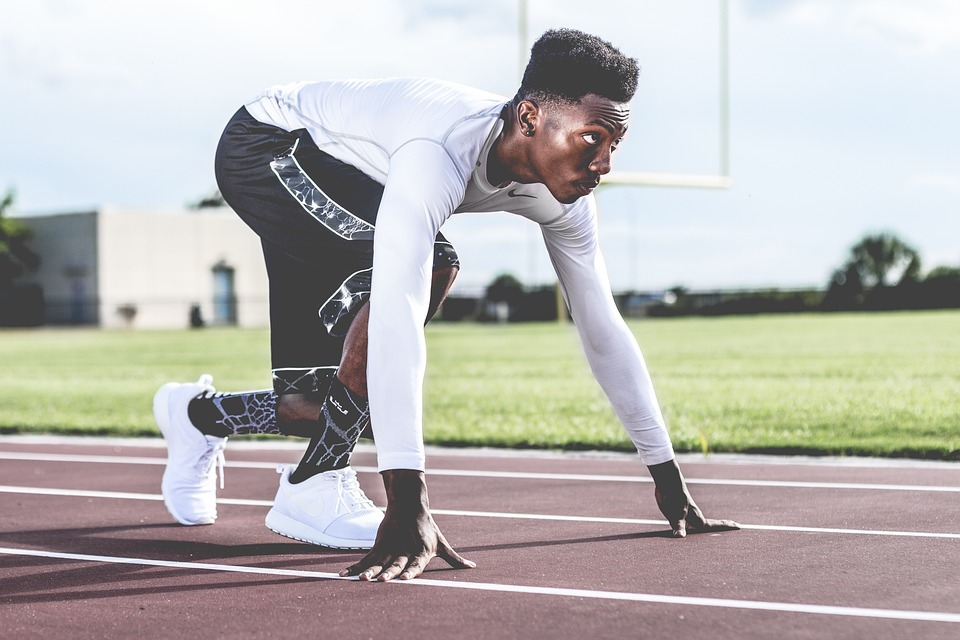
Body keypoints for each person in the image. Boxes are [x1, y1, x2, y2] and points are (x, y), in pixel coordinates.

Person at [153, 27, 739, 583]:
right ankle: (315, 481)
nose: (605, 163)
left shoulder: (567, 200)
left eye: (615, 143)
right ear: (529, 117)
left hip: (354, 175)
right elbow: (399, 314)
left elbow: (602, 328)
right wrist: (407, 502)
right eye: (592, 137)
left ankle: (197, 416)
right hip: (269, 146)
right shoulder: (438, 150)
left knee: (313, 404)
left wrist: (667, 478)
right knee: (431, 266)